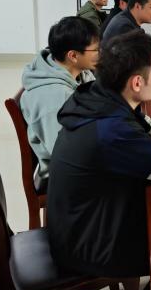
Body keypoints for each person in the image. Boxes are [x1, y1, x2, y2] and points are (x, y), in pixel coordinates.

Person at [47, 30, 151, 290]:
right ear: (137, 83)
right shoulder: (112, 132)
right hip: (86, 245)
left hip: (71, 225)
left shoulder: (96, 93)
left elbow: (141, 129)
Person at [20, 17, 99, 182]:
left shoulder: (80, 73)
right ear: (73, 55)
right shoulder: (53, 100)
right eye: (96, 50)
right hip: (63, 177)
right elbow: (66, 155)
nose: (101, 54)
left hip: (86, 146)